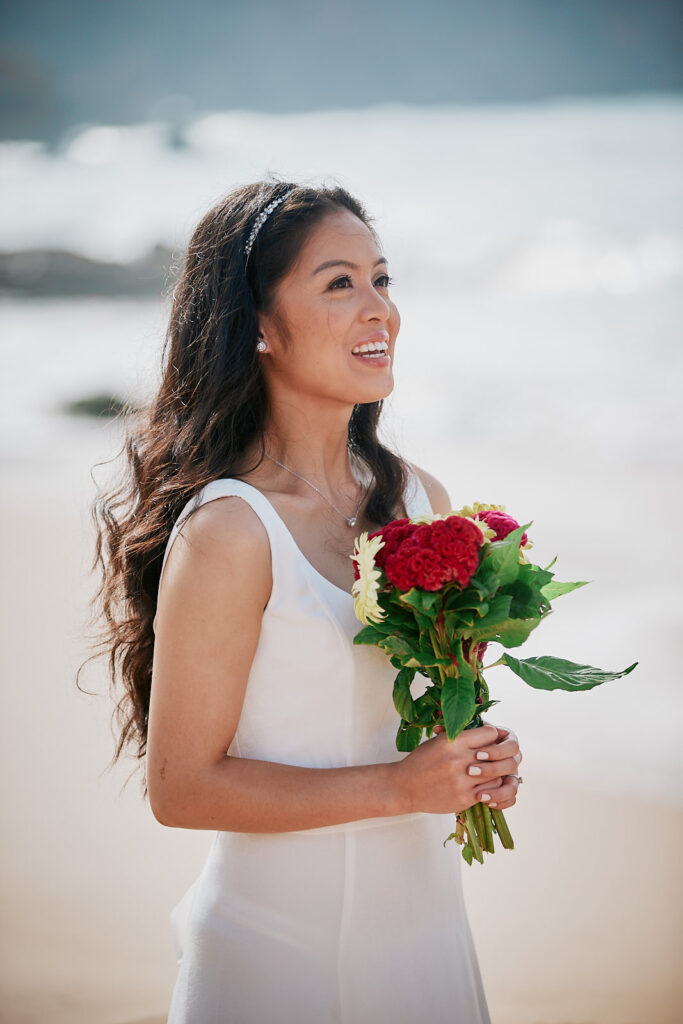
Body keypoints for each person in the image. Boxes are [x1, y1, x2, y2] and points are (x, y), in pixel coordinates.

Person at [94, 179, 523, 1023]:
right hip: (276, 959)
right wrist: (401, 789)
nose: (379, 311)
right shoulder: (230, 530)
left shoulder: (419, 502)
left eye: (383, 279)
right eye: (339, 283)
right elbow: (181, 788)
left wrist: (472, 761)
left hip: (422, 938)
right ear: (258, 324)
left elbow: (417, 729)